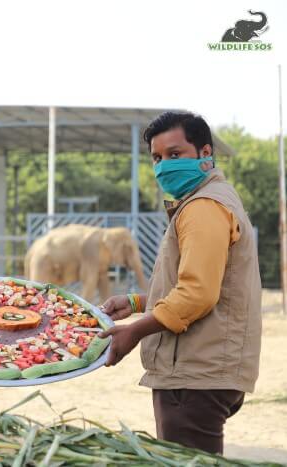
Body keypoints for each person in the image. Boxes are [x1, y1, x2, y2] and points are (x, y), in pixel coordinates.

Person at [99, 111, 261, 455]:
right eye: (157, 158)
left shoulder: (203, 207)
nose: (163, 167)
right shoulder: (212, 199)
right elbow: (204, 283)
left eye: (175, 155)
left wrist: (136, 330)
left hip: (194, 373)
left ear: (205, 154)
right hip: (207, 369)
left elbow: (198, 293)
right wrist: (137, 302)